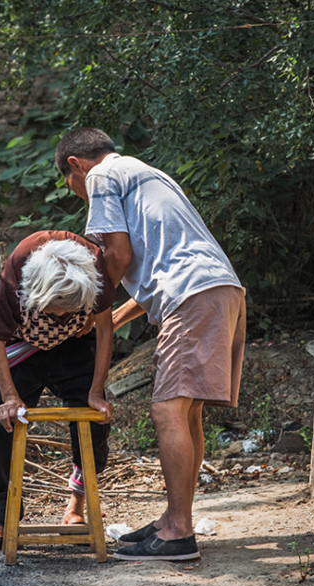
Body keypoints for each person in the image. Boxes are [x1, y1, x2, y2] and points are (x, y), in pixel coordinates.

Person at [55, 128, 246, 561]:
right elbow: (157, 264)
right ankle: (172, 520)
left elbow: (117, 256)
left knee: (166, 409)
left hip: (193, 294)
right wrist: (117, 316)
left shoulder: (102, 176)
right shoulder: (148, 174)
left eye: (72, 187)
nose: (79, 194)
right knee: (187, 410)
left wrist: (93, 306)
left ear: (75, 166)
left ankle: (178, 533)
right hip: (220, 289)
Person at [0, 230, 116, 552]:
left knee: (94, 422)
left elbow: (105, 330)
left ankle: (75, 508)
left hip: (75, 344)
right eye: (55, 310)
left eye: (67, 311)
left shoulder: (96, 268)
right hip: (21, 345)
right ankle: (1, 520)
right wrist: (10, 397)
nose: (60, 317)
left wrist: (95, 392)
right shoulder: (18, 274)